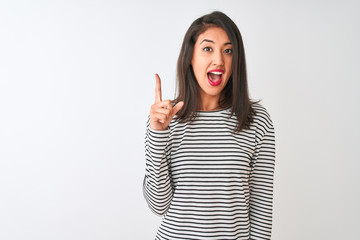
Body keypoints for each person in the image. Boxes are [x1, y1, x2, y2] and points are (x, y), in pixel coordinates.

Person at [143, 11, 275, 240]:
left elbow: (261, 208)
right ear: (190, 57)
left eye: (228, 50)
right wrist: (157, 134)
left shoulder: (257, 120)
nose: (219, 60)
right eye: (207, 48)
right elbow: (158, 205)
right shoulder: (165, 118)